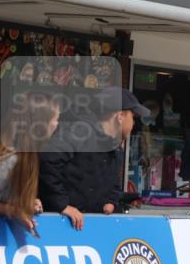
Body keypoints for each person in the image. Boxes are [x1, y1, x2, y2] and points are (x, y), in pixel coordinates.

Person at [39, 87, 149, 230]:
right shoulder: (79, 133)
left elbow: (114, 183)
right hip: (58, 225)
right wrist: (62, 205)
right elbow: (47, 161)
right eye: (133, 117)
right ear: (120, 116)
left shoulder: (115, 147)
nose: (134, 123)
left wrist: (111, 202)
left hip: (87, 228)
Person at [0, 93, 60, 235]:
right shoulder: (9, 158)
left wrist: (22, 202)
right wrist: (12, 210)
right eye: (55, 119)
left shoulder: (21, 152)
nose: (57, 124)